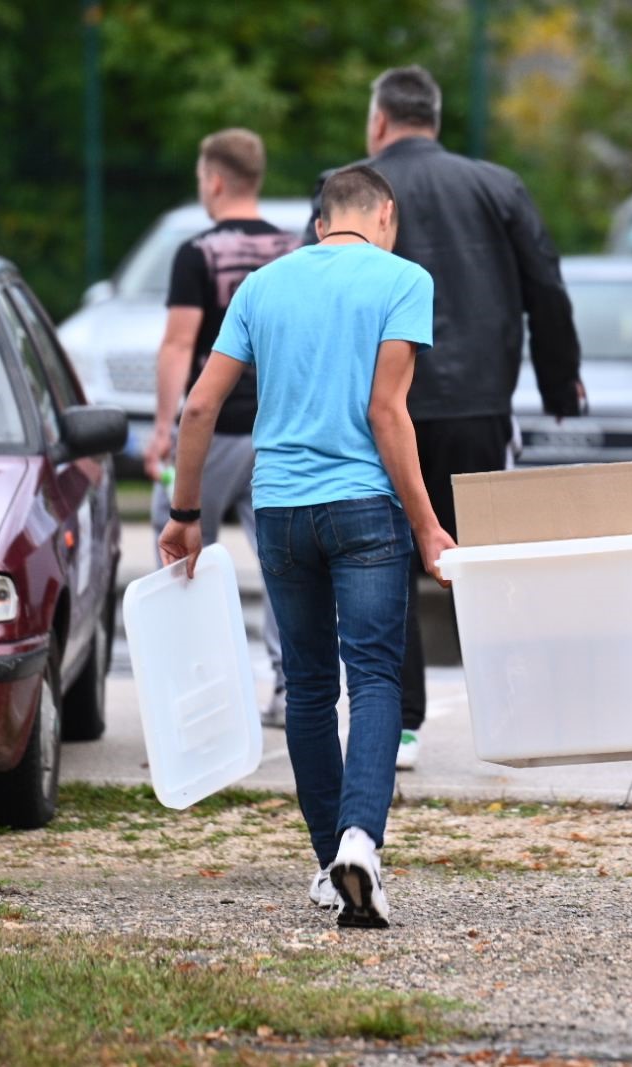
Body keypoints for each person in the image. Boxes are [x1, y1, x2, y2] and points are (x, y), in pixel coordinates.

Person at [159, 166, 456, 928]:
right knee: (378, 677)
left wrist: (184, 512)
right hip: (364, 510)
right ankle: (361, 838)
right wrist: (426, 523)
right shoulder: (404, 280)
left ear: (320, 221)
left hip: (282, 509)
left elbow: (199, 405)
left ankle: (330, 862)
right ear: (385, 213)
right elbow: (387, 412)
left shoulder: (262, 286)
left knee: (311, 687)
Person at [308, 65, 582, 771]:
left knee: (387, 557)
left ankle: (400, 725)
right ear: (433, 117)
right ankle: (516, 709)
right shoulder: (496, 186)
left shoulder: (349, 189)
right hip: (478, 403)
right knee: (483, 559)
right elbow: (544, 284)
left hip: (377, 409)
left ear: (379, 121)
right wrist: (557, 383)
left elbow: (312, 289)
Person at [145, 128, 298, 727]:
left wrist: (164, 427)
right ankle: (291, 690)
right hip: (278, 430)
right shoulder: (293, 250)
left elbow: (179, 346)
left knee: (176, 549)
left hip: (213, 431)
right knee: (284, 561)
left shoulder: (197, 253)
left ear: (214, 180)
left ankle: (196, 690)